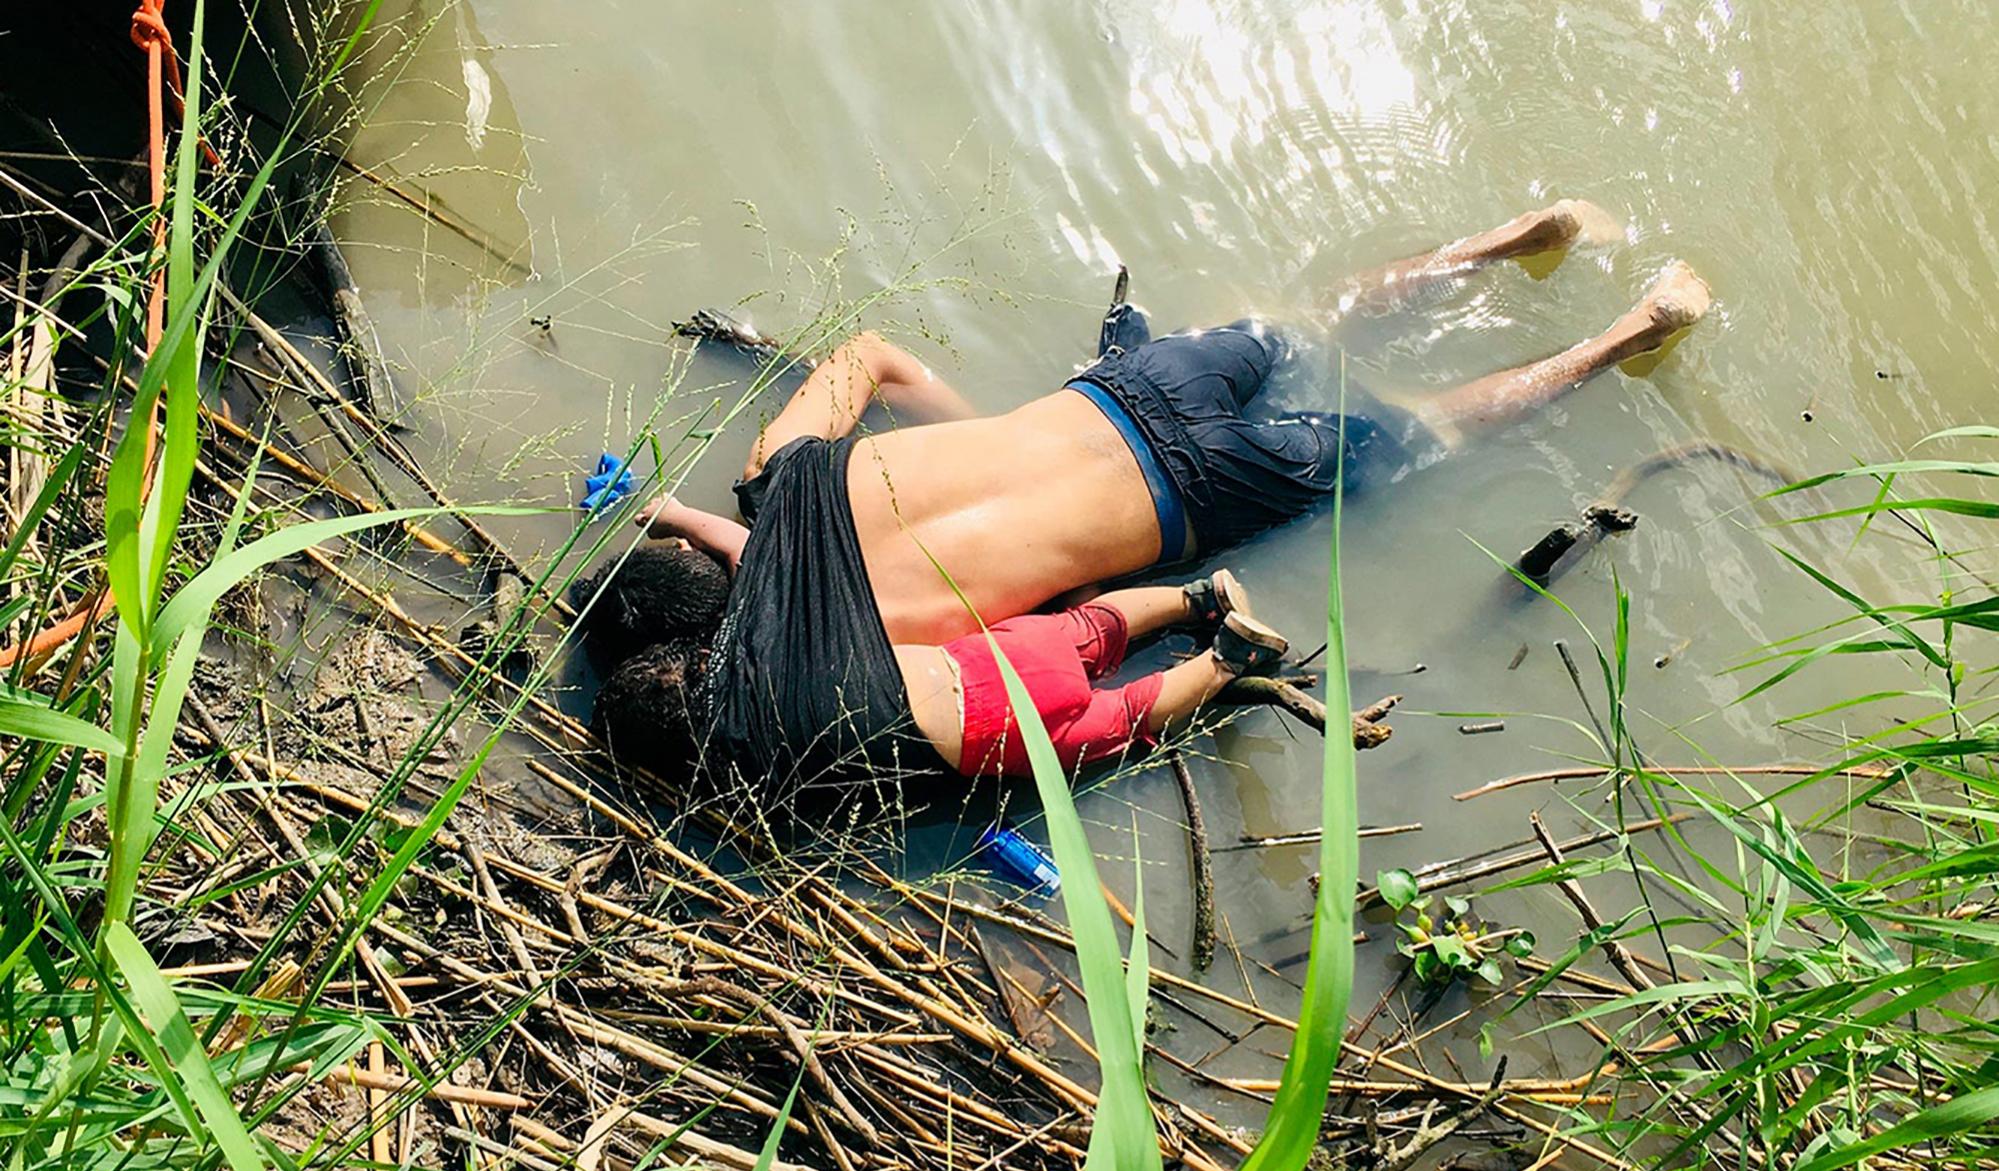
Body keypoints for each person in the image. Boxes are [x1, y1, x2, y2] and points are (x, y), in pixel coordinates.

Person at [586, 201, 1712, 794]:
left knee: (1424, 429)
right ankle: (1519, 236)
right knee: (1306, 323)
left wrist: (1194, 649)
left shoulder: (876, 649)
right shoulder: (777, 469)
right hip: (1126, 396)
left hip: (1192, 499)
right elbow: (874, 351)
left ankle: (1631, 333)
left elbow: (1049, 655)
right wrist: (1001, 433)